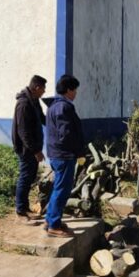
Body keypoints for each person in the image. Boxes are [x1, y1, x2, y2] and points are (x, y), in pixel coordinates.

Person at [44, 74, 86, 238]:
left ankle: (50, 220)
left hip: (57, 154)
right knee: (62, 190)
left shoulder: (53, 106)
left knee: (58, 188)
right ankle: (54, 225)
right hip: (64, 155)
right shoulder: (64, 107)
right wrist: (79, 152)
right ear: (69, 90)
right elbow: (67, 134)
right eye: (75, 90)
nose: (75, 93)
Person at [12, 75, 47, 222]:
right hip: (27, 149)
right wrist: (36, 151)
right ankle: (20, 211)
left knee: (30, 176)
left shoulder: (34, 101)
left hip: (33, 148)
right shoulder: (24, 104)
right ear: (37, 88)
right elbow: (23, 132)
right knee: (25, 177)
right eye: (43, 89)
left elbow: (42, 118)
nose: (44, 92)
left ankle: (25, 207)